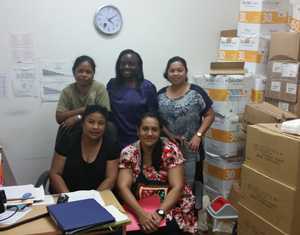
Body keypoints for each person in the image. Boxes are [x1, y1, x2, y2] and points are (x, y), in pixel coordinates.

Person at [118, 113, 198, 235]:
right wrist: (141, 214)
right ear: (138, 131)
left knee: (169, 229)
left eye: (154, 129)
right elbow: (123, 186)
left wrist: (160, 213)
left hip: (170, 205)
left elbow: (177, 187)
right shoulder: (129, 152)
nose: (149, 133)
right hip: (138, 207)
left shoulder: (170, 150)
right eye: (145, 129)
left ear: (160, 131)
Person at [158, 56, 215, 187]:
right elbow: (158, 120)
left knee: (191, 185)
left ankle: (192, 207)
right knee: (169, 184)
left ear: (186, 72)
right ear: (167, 73)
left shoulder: (196, 92)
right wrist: (169, 135)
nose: (176, 73)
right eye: (172, 70)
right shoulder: (160, 95)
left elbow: (210, 115)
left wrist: (198, 136)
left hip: (192, 149)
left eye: (180, 70)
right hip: (167, 149)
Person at [49, 105, 120, 193]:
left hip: (97, 197)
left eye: (101, 123)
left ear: (106, 126)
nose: (95, 127)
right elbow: (55, 174)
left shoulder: (112, 145)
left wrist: (93, 199)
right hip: (67, 196)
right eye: (91, 122)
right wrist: (69, 198)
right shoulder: (68, 139)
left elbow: (111, 179)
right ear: (83, 123)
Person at [107, 49, 158, 149]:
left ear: (139, 66)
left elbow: (154, 117)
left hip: (141, 141)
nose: (126, 67)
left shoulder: (148, 87)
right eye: (123, 64)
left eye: (131, 64)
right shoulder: (112, 84)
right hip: (115, 141)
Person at [56, 55, 110, 128]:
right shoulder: (67, 91)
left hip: (95, 126)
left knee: (110, 127)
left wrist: (78, 117)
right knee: (63, 128)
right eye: (80, 71)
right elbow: (59, 118)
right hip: (74, 128)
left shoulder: (99, 88)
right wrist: (83, 109)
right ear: (74, 72)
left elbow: (105, 114)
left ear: (93, 74)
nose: (84, 75)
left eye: (88, 72)